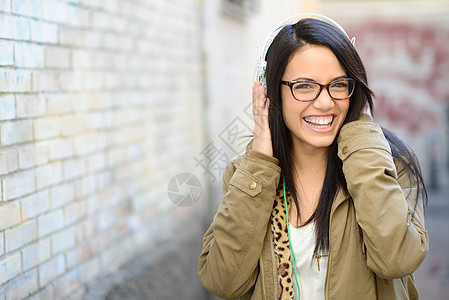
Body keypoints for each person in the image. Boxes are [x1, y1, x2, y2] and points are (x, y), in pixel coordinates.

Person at [198, 15, 428, 300]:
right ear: (271, 91)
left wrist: (362, 135)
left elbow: (397, 259)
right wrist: (259, 163)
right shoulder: (246, 175)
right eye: (304, 86)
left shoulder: (388, 164)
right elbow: (223, 281)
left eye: (339, 84)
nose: (325, 102)